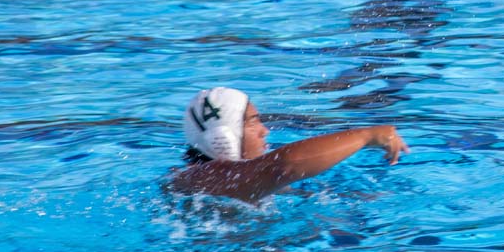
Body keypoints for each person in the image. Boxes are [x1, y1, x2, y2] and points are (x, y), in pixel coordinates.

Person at [170, 87, 410, 202]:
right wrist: (366, 136)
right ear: (224, 137)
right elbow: (284, 166)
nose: (265, 130)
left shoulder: (236, 179)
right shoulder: (198, 179)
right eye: (253, 122)